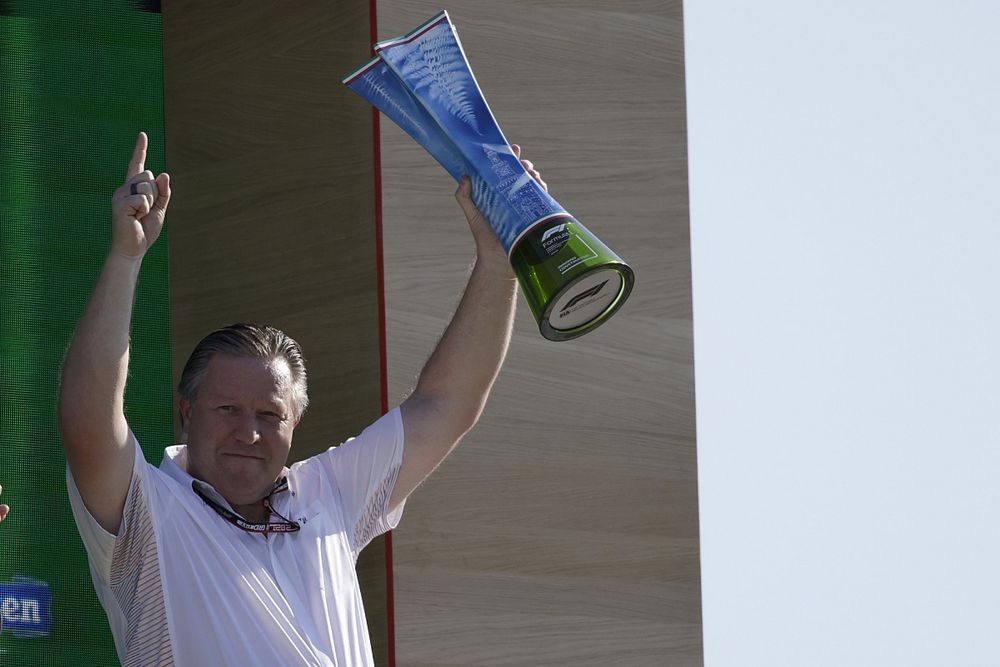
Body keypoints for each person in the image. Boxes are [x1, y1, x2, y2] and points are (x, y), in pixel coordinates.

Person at [58, 132, 544, 666]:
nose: (249, 432)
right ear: (186, 411)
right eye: (227, 410)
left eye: (270, 415)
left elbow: (446, 404)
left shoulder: (329, 494)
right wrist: (126, 259)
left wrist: (500, 262)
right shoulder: (147, 517)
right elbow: (88, 419)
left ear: (295, 423)